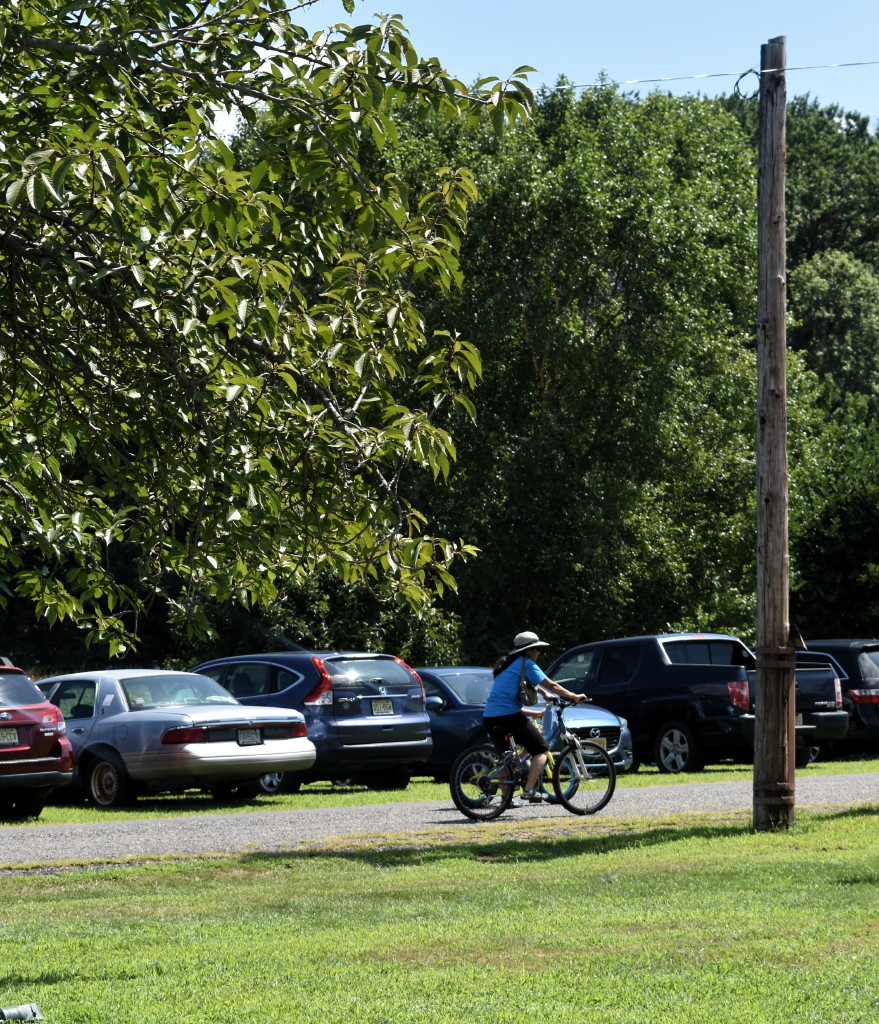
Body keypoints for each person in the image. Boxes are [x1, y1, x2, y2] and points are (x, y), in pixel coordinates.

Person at [483, 630, 589, 803]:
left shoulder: (506, 665)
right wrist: (574, 696)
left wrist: (543, 693)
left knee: (503, 758)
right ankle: (529, 790)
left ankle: (506, 799)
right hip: (509, 717)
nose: (539, 653)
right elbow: (551, 684)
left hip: (490, 717)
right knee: (541, 749)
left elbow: (528, 683)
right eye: (537, 649)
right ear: (529, 651)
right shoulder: (526, 663)